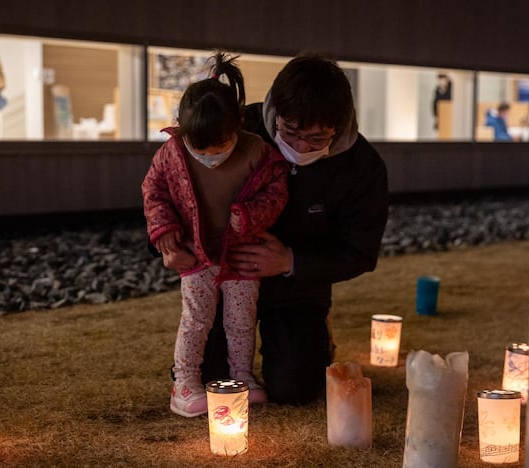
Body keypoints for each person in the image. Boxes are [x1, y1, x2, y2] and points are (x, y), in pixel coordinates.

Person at [165, 52, 389, 406]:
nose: (300, 147)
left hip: (296, 291)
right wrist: (166, 244)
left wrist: (290, 261)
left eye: (317, 139)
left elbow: (360, 251)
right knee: (213, 381)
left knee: (295, 388)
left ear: (340, 125)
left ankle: (316, 341)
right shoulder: (237, 127)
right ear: (275, 112)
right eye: (291, 132)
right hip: (225, 281)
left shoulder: (362, 166)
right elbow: (170, 184)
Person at [142, 52, 288, 418]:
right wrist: (165, 232)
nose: (210, 156)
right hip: (197, 252)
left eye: (220, 148)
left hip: (241, 252)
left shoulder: (258, 152)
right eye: (200, 149)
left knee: (241, 320)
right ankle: (185, 381)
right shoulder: (171, 154)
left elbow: (276, 191)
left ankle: (243, 376)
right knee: (196, 318)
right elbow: (153, 190)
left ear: (238, 127)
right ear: (182, 130)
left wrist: (249, 217)